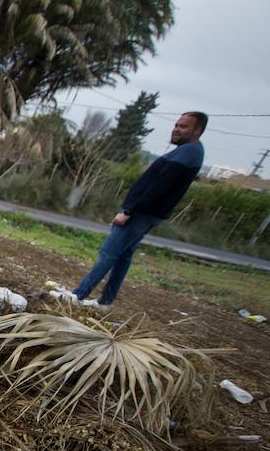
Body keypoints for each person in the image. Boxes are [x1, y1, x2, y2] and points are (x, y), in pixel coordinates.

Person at [72, 111, 208, 307]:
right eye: (177, 125)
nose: (176, 129)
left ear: (198, 130)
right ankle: (105, 302)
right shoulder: (190, 151)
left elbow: (161, 185)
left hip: (141, 213)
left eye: (183, 126)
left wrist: (129, 211)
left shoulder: (189, 151)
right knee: (123, 256)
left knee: (109, 253)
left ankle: (78, 295)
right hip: (147, 212)